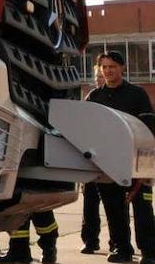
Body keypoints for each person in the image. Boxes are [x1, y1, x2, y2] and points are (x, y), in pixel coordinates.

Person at [88, 50, 155, 264]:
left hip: (136, 163)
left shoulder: (137, 94)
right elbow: (85, 129)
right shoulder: (94, 97)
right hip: (106, 164)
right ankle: (122, 249)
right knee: (114, 210)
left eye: (112, 67)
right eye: (104, 67)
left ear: (122, 68)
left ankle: (149, 252)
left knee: (143, 210)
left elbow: (149, 128)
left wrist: (148, 166)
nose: (108, 71)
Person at [83, 62, 114, 255]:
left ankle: (115, 241)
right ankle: (90, 240)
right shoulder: (92, 97)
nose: (99, 80)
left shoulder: (117, 97)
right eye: (97, 78)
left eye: (100, 77)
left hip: (110, 159)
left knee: (114, 205)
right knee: (90, 204)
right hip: (91, 159)